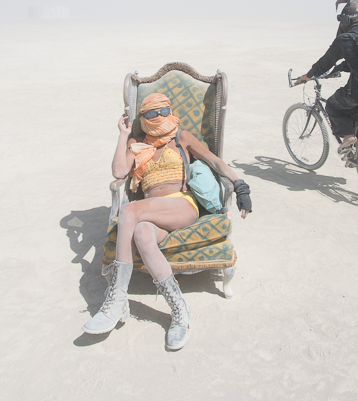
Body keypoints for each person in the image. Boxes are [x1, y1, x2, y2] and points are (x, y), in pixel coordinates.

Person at [83, 92, 252, 349]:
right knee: (142, 234)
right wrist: (123, 136)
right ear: (143, 118)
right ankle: (180, 311)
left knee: (128, 212)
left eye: (164, 110)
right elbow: (119, 172)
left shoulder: (181, 138)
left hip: (182, 205)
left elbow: (214, 161)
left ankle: (116, 300)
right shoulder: (138, 144)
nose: (160, 117)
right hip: (151, 212)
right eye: (152, 113)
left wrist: (240, 186)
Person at [296, 0, 358, 154]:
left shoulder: (346, 39)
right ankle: (356, 154)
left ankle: (348, 138)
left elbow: (324, 62)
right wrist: (336, 70)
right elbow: (357, 63)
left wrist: (308, 75)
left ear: (345, 20)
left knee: (333, 105)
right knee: (355, 115)